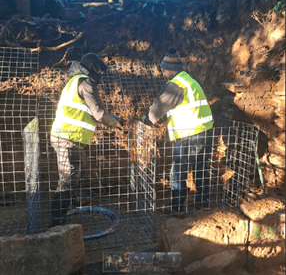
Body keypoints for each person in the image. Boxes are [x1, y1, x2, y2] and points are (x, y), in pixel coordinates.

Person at [49, 53, 125, 227]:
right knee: (68, 178)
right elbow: (98, 112)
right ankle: (57, 222)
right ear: (94, 72)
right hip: (67, 138)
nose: (100, 80)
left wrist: (114, 118)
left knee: (78, 172)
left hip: (69, 138)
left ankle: (69, 206)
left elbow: (90, 110)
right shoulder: (86, 82)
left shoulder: (76, 81)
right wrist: (114, 124)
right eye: (100, 75)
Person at [141, 47, 214, 218]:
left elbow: (157, 110)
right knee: (200, 168)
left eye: (163, 70)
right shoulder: (188, 80)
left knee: (178, 171)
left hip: (189, 134)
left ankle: (176, 208)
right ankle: (204, 204)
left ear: (170, 69)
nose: (162, 73)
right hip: (203, 131)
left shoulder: (175, 85)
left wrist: (145, 121)